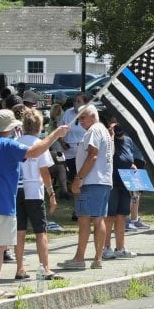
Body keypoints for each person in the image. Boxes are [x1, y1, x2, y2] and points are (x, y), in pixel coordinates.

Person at [0, 109, 68, 299]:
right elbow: (35, 152)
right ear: (10, 128)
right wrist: (55, 134)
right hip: (2, 204)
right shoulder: (8, 144)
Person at [59, 105, 113, 270]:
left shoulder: (94, 130)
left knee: (84, 219)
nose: (80, 121)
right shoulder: (103, 131)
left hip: (91, 181)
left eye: (83, 117)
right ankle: (97, 258)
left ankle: (79, 258)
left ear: (92, 116)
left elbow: (92, 156)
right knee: (99, 219)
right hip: (103, 181)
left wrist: (78, 178)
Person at [13, 108, 60, 280]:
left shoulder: (16, 142)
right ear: (39, 126)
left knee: (20, 231)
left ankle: (20, 268)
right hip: (34, 190)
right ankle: (45, 268)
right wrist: (51, 192)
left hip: (17, 189)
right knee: (40, 231)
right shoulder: (40, 144)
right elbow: (44, 171)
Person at [104, 116, 137, 260]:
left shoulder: (128, 140)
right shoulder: (108, 140)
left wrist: (132, 165)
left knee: (122, 216)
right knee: (110, 216)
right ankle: (106, 247)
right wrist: (110, 135)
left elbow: (129, 158)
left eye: (120, 124)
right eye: (114, 123)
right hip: (112, 182)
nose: (118, 126)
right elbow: (107, 156)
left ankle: (120, 248)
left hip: (125, 183)